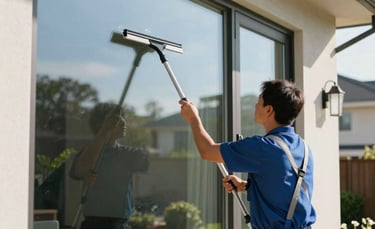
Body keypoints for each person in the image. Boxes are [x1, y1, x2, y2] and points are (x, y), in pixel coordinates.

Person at [179, 80, 316, 229]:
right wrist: (246, 186)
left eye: (259, 102)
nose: (255, 106)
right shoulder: (303, 148)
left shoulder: (263, 147)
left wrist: (193, 118)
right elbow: (285, 188)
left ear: (269, 110)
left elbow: (207, 151)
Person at [70, 103, 149, 229]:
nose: (123, 123)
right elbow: (78, 171)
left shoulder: (127, 154)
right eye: (117, 119)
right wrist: (104, 131)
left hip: (120, 224)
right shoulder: (88, 153)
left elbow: (144, 162)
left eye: (123, 118)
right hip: (93, 224)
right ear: (102, 124)